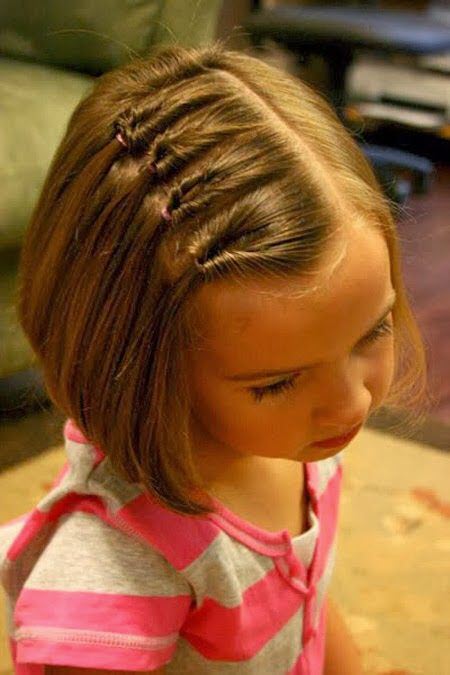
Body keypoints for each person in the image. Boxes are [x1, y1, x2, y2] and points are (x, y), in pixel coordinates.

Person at [0, 40, 430, 674]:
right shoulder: (120, 570)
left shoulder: (295, 440)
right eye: (277, 382)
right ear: (145, 365)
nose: (353, 402)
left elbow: (304, 597)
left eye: (371, 332)